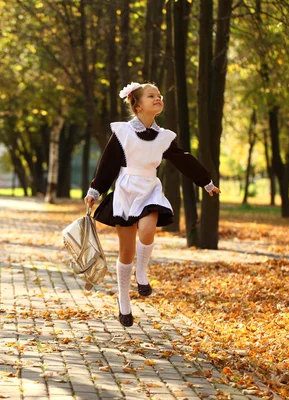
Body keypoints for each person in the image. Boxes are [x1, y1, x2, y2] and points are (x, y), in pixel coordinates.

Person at [84, 82, 221, 327]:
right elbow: (107, 165)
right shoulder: (123, 133)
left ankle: (142, 272)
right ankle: (124, 300)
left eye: (159, 96)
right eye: (151, 96)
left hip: (150, 190)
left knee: (147, 231)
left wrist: (207, 183)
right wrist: (95, 190)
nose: (158, 98)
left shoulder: (164, 137)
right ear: (137, 105)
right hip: (126, 191)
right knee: (126, 252)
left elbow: (183, 160)